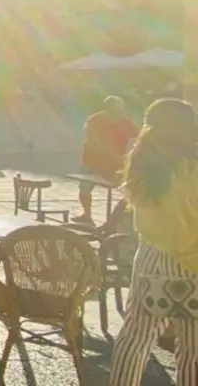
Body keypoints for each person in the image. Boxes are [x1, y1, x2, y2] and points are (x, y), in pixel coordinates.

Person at [110, 98, 198, 385]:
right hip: (192, 264)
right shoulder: (192, 168)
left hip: (150, 259)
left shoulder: (141, 164)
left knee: (135, 338)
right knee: (192, 347)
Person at [77, 95, 137, 223]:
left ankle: (118, 219)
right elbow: (95, 142)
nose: (119, 113)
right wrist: (117, 156)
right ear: (107, 108)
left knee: (127, 188)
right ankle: (87, 215)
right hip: (91, 161)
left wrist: (132, 154)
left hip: (115, 163)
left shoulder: (125, 122)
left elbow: (137, 138)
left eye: (120, 110)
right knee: (85, 188)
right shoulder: (94, 120)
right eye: (115, 109)